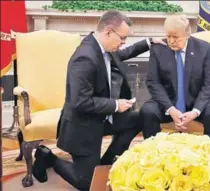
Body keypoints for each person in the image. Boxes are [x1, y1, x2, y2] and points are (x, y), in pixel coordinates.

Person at [32, 10, 165, 191]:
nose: (124, 43)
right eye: (123, 38)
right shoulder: (85, 58)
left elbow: (123, 53)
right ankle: (49, 158)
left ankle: (105, 164)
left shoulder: (104, 48)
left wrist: (148, 42)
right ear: (109, 32)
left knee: (140, 117)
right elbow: (80, 101)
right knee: (88, 185)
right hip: (83, 127)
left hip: (102, 118)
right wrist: (116, 105)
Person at [140, 14, 210, 143]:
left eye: (176, 37)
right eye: (168, 36)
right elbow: (153, 82)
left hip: (197, 99)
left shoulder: (204, 49)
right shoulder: (158, 49)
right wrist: (171, 109)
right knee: (148, 111)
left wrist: (195, 111)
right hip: (169, 101)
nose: (171, 41)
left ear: (187, 35)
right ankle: (156, 154)